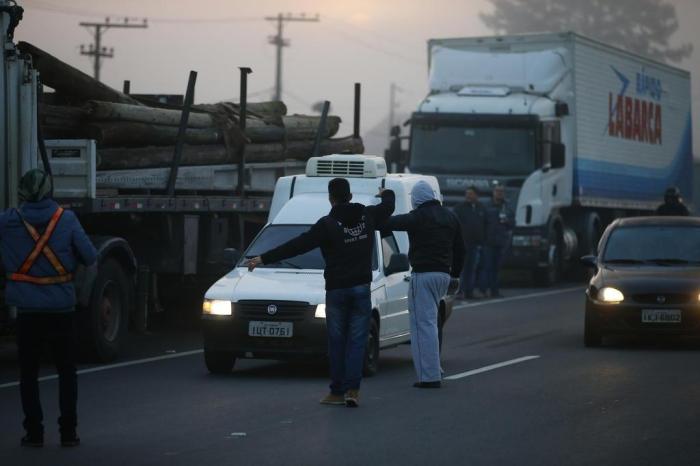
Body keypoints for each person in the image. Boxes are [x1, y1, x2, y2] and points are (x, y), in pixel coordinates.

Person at [246, 178, 395, 407]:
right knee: (357, 341)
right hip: (361, 290)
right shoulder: (367, 216)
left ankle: (336, 392)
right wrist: (385, 192)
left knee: (336, 342)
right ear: (350, 196)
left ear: (331, 198)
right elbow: (389, 206)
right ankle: (353, 391)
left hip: (336, 291)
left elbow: (297, 245)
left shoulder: (326, 224)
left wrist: (264, 258)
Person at [0, 169, 97, 448]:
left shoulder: (8, 221)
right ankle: (68, 432)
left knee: (28, 373)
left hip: (28, 312)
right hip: (61, 310)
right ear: (49, 191)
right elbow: (90, 256)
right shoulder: (65, 220)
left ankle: (34, 433)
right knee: (66, 372)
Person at [384, 181, 464, 388]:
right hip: (443, 275)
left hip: (423, 274)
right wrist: (455, 274)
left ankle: (429, 377)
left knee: (422, 326)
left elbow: (388, 223)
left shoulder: (417, 217)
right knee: (432, 324)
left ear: (416, 198)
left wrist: (383, 203)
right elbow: (461, 249)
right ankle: (434, 367)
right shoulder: (451, 216)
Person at [452, 186, 486, 299]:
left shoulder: (481, 208)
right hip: (462, 244)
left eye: (471, 193)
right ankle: (459, 291)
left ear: (477, 195)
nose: (468, 196)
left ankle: (469, 292)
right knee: (461, 269)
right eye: (467, 193)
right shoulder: (459, 208)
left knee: (472, 269)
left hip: (476, 244)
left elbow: (486, 225)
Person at [481, 185, 514, 298]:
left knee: (496, 268)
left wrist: (507, 220)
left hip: (501, 242)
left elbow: (512, 224)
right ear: (493, 192)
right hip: (488, 241)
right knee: (487, 267)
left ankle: (495, 291)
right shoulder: (486, 206)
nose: (499, 193)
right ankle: (483, 290)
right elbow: (482, 223)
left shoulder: (507, 207)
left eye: (501, 191)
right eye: (497, 191)